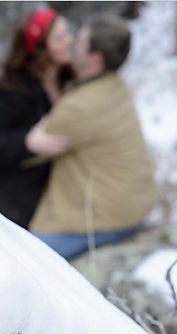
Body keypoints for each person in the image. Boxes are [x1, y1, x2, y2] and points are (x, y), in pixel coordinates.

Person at [28, 14, 158, 260]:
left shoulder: (80, 107)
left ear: (95, 58)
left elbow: (29, 155)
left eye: (80, 42)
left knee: (27, 258)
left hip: (105, 219)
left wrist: (29, 141)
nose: (72, 44)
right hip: (134, 207)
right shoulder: (116, 86)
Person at [0, 8, 75, 229]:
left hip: (36, 203)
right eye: (59, 38)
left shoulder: (69, 81)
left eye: (67, 33)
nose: (69, 41)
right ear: (39, 49)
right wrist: (27, 142)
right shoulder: (12, 90)